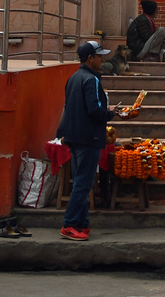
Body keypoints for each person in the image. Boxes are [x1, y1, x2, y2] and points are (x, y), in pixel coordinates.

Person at [55, 40, 131, 240]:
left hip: (74, 136)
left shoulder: (73, 78)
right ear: (90, 58)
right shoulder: (91, 80)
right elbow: (95, 110)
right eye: (99, 56)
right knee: (83, 184)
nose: (102, 59)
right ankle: (70, 224)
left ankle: (82, 223)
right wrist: (110, 114)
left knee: (81, 181)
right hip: (88, 137)